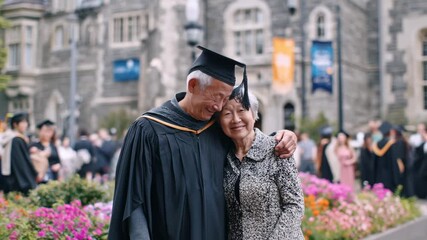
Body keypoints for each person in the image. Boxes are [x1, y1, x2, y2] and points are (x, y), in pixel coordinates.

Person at [108, 46, 297, 240]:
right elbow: (134, 202)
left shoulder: (217, 129)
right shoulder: (149, 130)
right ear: (193, 85)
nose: (219, 106)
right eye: (216, 96)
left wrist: (282, 136)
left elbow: (249, 142)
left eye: (225, 98)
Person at [220, 89, 304, 239]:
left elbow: (294, 206)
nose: (235, 119)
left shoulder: (277, 149)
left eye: (241, 110)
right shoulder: (224, 158)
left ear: (254, 114)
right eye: (227, 113)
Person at [0, 112, 37, 195]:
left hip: (10, 176)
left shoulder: (12, 137)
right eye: (22, 122)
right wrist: (30, 178)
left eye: (26, 122)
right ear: (15, 124)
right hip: (17, 179)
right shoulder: (16, 140)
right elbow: (21, 163)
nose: (25, 125)